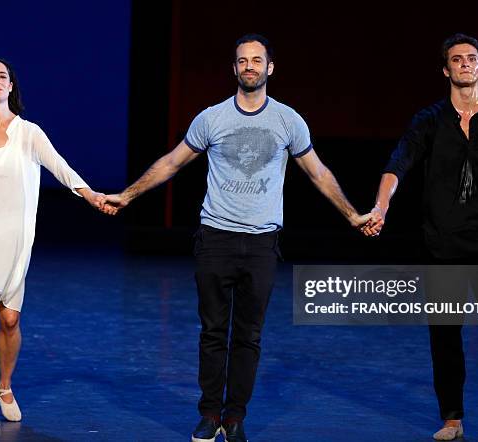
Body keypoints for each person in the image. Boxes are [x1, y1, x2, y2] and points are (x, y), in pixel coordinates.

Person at [101, 34, 372, 442]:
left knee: (249, 335)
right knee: (213, 332)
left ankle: (235, 417)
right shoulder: (212, 118)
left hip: (262, 244)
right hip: (215, 240)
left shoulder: (287, 120)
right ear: (234, 69)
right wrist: (128, 195)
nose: (249, 66)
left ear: (269, 68)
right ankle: (210, 413)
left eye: (256, 60)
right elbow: (173, 162)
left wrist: (352, 215)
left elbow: (317, 172)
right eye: (242, 61)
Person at [366, 34, 478, 441]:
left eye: (471, 58)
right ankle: (452, 418)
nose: (464, 64)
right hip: (442, 246)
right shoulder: (429, 120)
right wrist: (381, 207)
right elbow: (399, 164)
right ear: (445, 70)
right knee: (445, 335)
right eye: (456, 59)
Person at [0, 58, 106, 423]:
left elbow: (60, 167)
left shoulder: (29, 133)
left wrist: (89, 195)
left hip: (11, 237)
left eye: (2, 76)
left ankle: (5, 384)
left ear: (11, 86)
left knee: (9, 319)